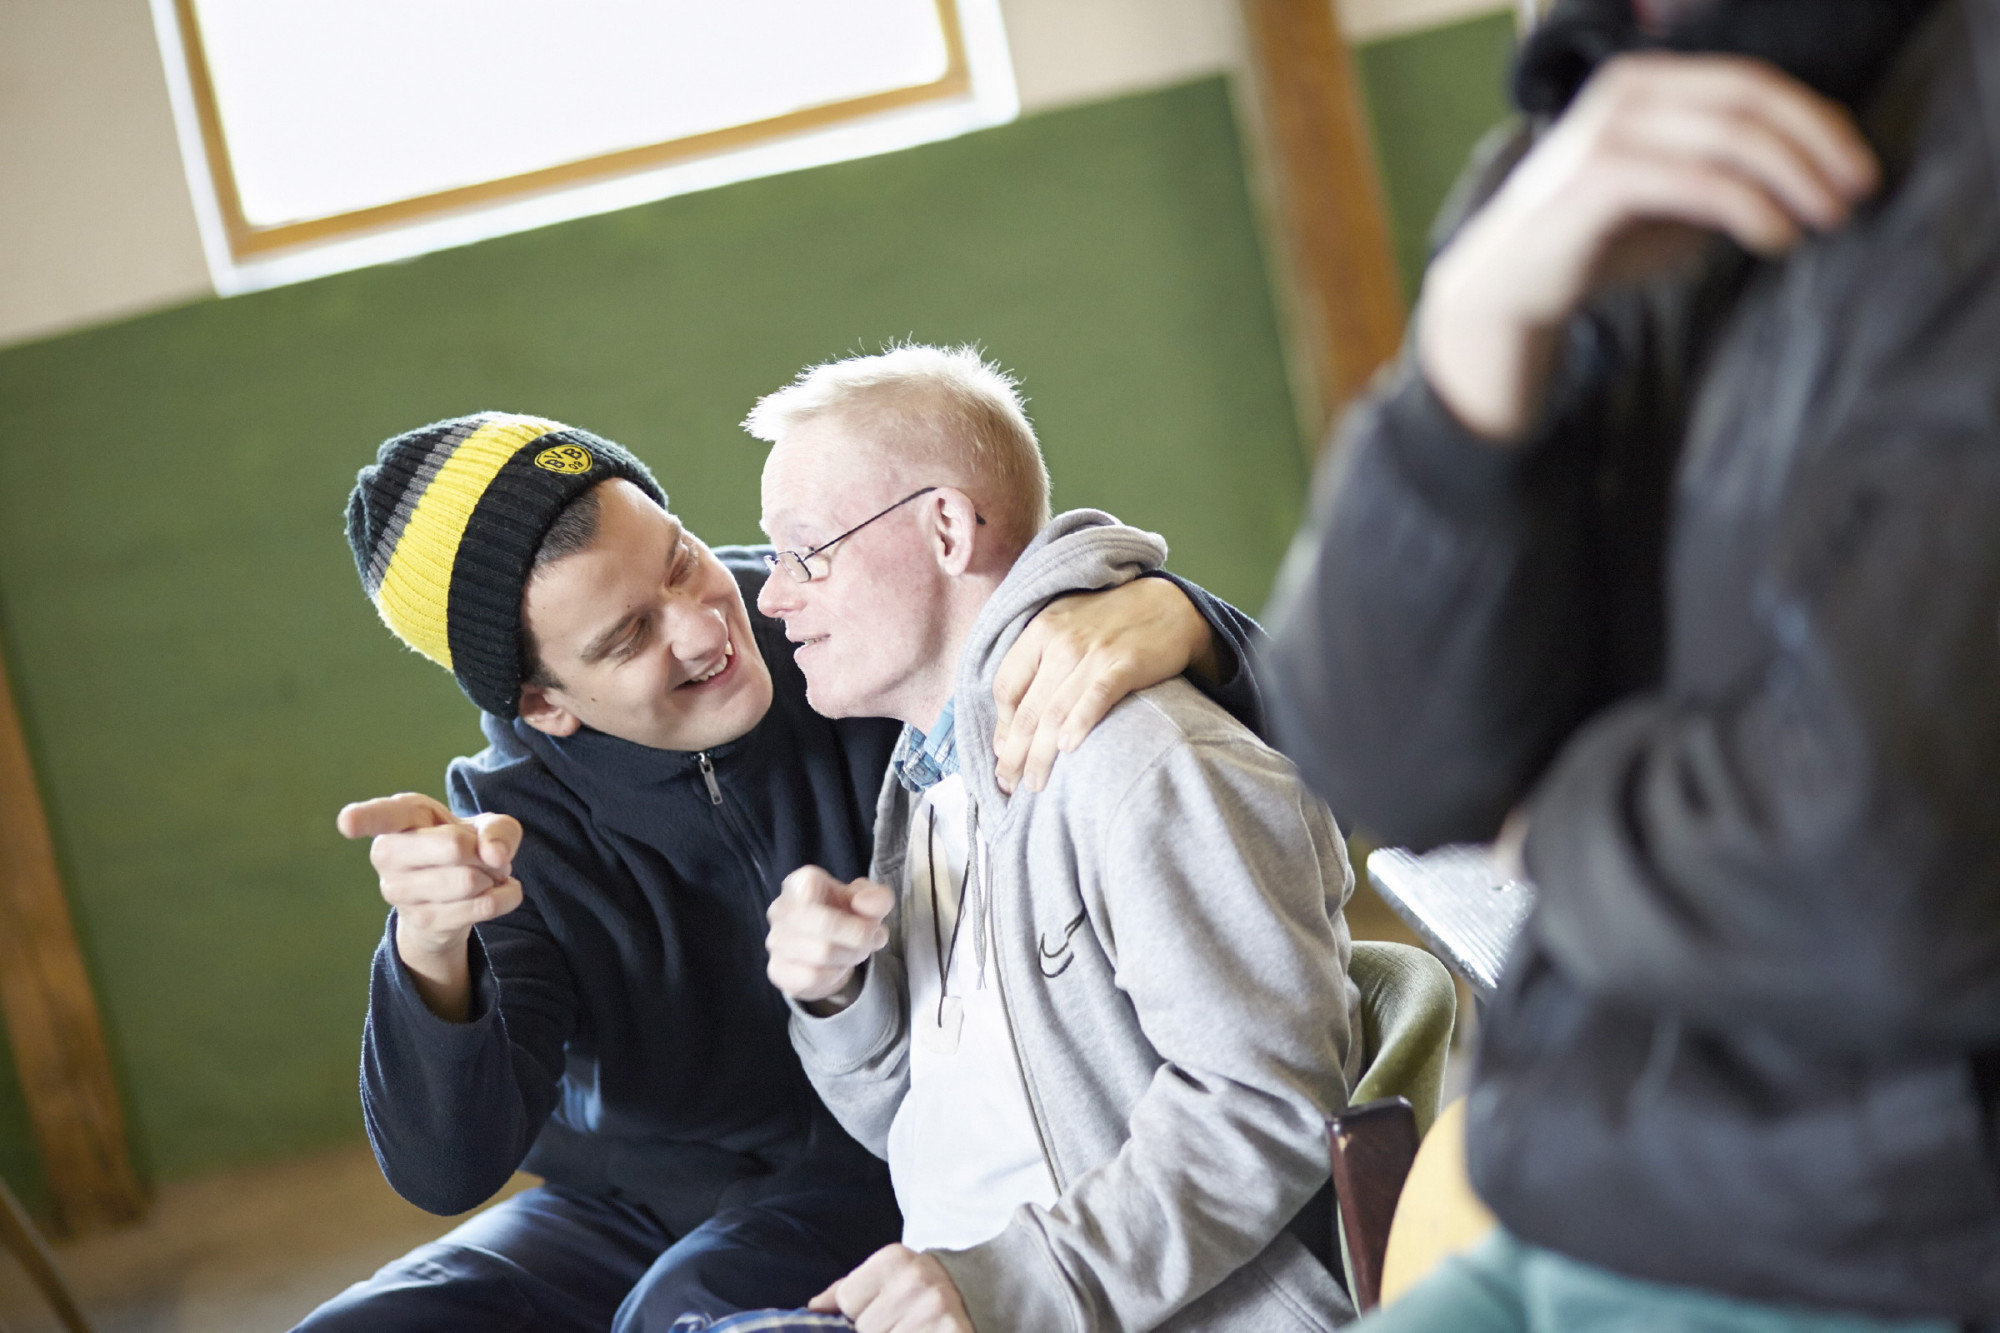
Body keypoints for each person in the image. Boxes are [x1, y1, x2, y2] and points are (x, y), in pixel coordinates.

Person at [1263, 0, 2000, 1327]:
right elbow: (1380, 759)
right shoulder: (1586, 118)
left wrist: (1547, 824)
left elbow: (1882, 868)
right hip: (1574, 1191)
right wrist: (1473, 337)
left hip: (1881, 1239)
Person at [301, 410, 1268, 1332]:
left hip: (896, 1152)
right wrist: (432, 948)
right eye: (628, 637)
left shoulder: (838, 627)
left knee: (685, 1307)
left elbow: (1279, 755)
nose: (702, 627)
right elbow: (446, 1171)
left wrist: (1187, 620)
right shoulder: (510, 834)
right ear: (543, 704)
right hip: (638, 1199)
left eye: (682, 559)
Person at [754, 346, 1362, 1333]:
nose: (773, 595)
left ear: (946, 529)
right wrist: (841, 995)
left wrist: (1001, 1286)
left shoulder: (1138, 761)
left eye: (804, 549)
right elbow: (921, 1127)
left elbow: (1263, 1109)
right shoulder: (929, 781)